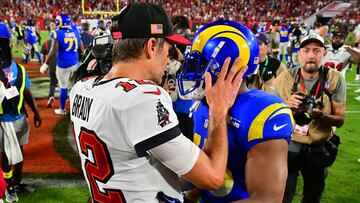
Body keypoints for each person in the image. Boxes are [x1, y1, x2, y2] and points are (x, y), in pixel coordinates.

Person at [70, 3, 245, 203]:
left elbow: (136, 167)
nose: (168, 61)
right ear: (152, 46)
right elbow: (213, 177)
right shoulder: (142, 97)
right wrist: (219, 110)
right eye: (168, 50)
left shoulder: (82, 88)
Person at [178, 20, 294, 203]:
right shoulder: (205, 104)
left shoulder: (263, 112)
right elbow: (205, 168)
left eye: (200, 64)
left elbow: (267, 199)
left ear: (225, 67)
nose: (193, 71)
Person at [272, 33, 346, 203]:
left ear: (324, 54)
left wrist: (320, 115)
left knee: (312, 196)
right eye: (306, 50)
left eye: (316, 50)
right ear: (299, 54)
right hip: (289, 145)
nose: (311, 55)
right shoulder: (284, 79)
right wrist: (285, 105)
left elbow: (340, 120)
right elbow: (269, 115)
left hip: (318, 147)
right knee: (283, 196)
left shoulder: (334, 79)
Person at [0, 37, 41, 202]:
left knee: (19, 152)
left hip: (20, 118)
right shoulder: (21, 69)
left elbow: (27, 93)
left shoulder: (21, 70)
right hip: (4, 120)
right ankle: (9, 187)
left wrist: (36, 112)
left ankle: (16, 183)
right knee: (6, 155)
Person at [40, 14, 84, 115]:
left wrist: (45, 65)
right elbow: (82, 49)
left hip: (63, 65)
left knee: (63, 87)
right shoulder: (75, 31)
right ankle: (77, 109)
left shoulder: (57, 33)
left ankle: (62, 109)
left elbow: (53, 52)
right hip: (75, 63)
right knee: (75, 87)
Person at [40, 23, 58, 108]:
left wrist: (44, 65)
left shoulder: (46, 43)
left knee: (52, 82)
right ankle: (67, 98)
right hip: (62, 65)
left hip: (51, 65)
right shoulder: (60, 42)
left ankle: (51, 96)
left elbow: (43, 55)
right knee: (65, 83)